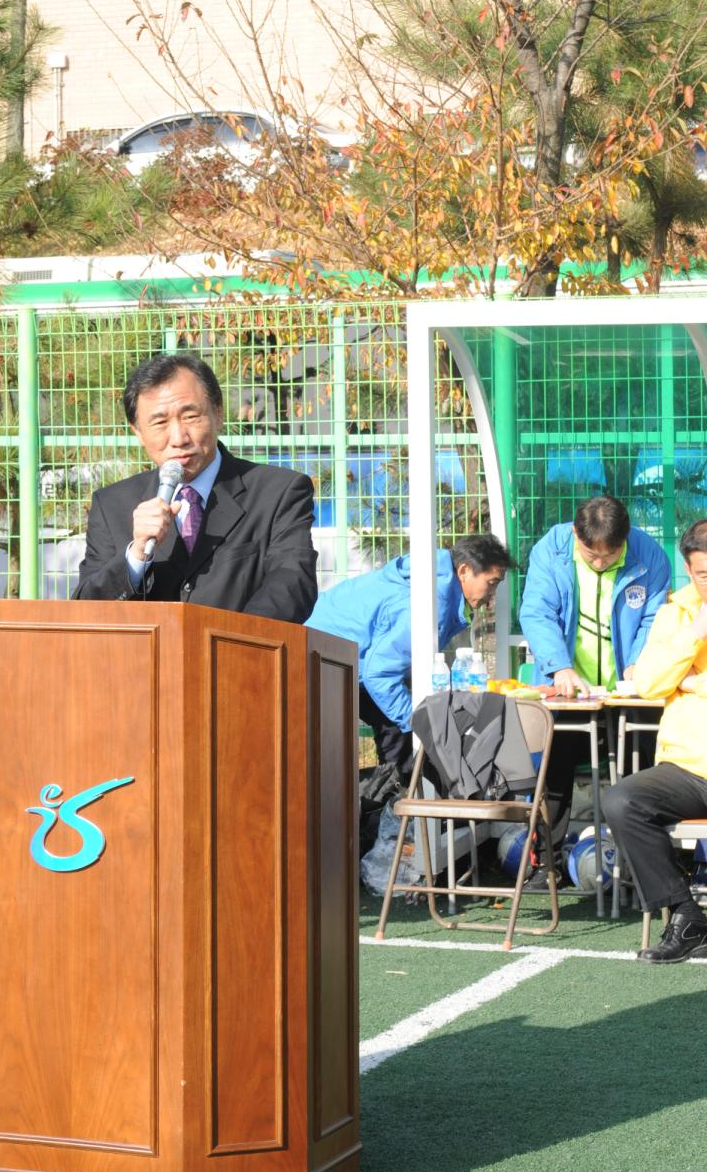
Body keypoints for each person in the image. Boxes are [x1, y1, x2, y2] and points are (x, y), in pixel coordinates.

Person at [73, 351, 318, 622]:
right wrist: (136, 555)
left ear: (218, 414)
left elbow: (292, 584)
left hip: (240, 658)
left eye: (190, 416)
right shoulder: (112, 505)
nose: (178, 438)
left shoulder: (279, 492)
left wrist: (232, 645)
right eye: (160, 422)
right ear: (138, 432)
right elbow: (86, 609)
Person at [519, 495, 671, 846]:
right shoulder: (550, 551)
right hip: (569, 688)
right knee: (554, 770)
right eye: (592, 555)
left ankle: (638, 861)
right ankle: (547, 859)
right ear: (576, 535)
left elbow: (653, 619)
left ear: (627, 539)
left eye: (611, 554)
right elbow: (537, 611)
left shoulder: (650, 556)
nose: (601, 562)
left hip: (628, 688)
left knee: (640, 771)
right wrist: (559, 666)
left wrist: (637, 665)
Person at [306, 534, 513, 778]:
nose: (493, 593)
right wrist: (419, 723)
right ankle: (396, 804)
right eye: (492, 582)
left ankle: (397, 798)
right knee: (405, 730)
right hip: (317, 664)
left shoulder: (435, 583)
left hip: (340, 662)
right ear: (465, 571)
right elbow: (380, 674)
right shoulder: (430, 601)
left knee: (401, 733)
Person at [602, 519, 707, 963]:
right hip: (688, 768)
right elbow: (648, 682)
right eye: (704, 574)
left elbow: (668, 681)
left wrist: (689, 683)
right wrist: (697, 630)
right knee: (621, 800)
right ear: (687, 569)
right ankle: (688, 916)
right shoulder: (675, 613)